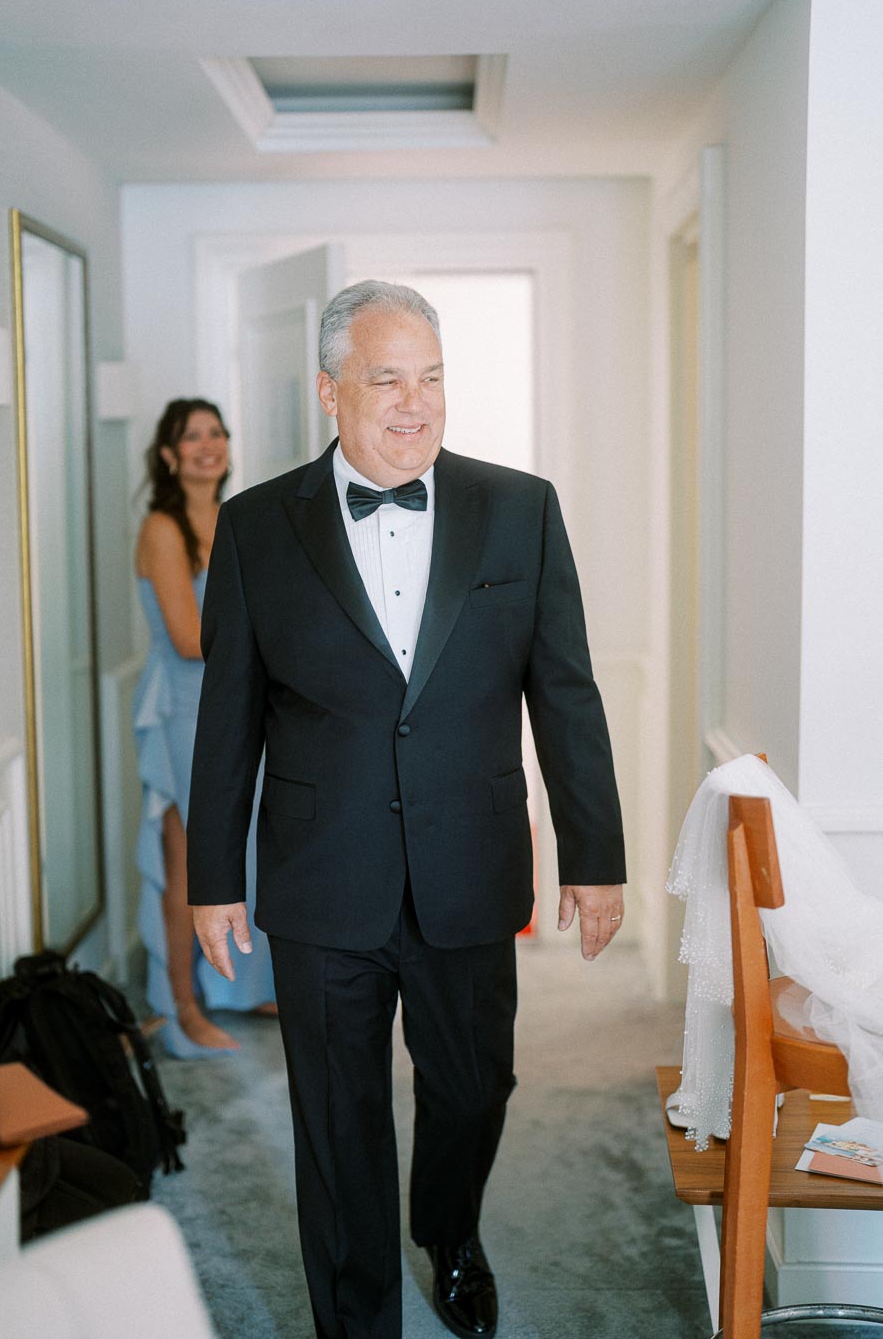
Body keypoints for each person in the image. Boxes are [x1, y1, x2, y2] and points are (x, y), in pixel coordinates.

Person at [187, 283, 626, 1337]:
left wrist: (595, 856)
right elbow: (229, 715)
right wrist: (213, 877)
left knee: (475, 1088)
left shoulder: (520, 509)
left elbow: (564, 690)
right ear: (331, 391)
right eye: (387, 379)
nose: (414, 404)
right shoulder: (254, 527)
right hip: (320, 876)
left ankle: (450, 1228)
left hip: (469, 866)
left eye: (431, 379)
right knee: (336, 1127)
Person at [133, 398, 275, 1059]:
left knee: (242, 850)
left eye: (217, 431)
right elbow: (190, 639)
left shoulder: (235, 517)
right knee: (189, 860)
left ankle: (244, 989)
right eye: (192, 436)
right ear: (169, 454)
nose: (208, 445)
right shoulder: (162, 527)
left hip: (241, 702)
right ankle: (182, 1007)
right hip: (183, 710)